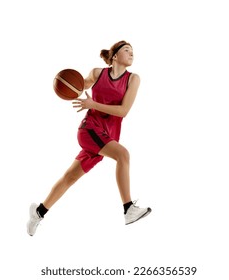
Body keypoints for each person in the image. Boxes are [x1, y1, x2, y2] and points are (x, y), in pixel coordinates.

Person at [27, 40, 151, 236]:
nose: (131, 53)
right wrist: (67, 83)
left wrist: (93, 104)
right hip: (90, 130)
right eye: (127, 50)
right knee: (123, 155)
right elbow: (79, 86)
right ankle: (128, 208)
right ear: (115, 56)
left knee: (70, 177)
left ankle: (38, 212)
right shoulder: (97, 73)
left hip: (106, 136)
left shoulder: (133, 79)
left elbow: (123, 111)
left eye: (133, 51)